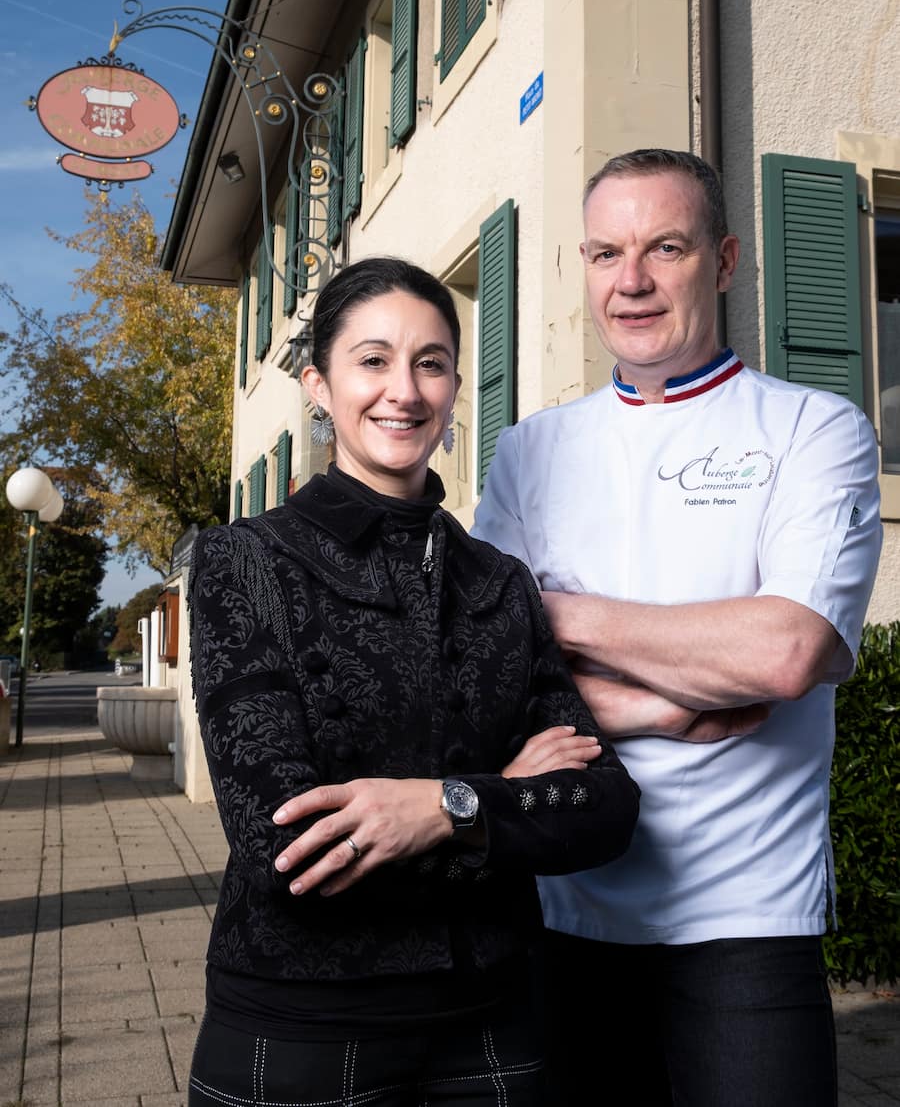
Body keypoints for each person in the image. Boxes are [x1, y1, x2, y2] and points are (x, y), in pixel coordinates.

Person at [473, 149, 883, 1107]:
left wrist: (558, 612)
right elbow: (485, 668)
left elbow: (785, 652)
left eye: (666, 247)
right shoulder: (532, 449)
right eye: (607, 252)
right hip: (562, 905)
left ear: (726, 259)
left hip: (747, 921)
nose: (633, 281)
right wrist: (662, 710)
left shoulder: (814, 429)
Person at [187, 256, 640, 1107]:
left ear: (456, 386)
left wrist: (438, 808)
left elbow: (608, 809)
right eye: (373, 360)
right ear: (319, 384)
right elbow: (285, 849)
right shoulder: (244, 561)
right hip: (300, 1028)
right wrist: (500, 794)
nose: (404, 389)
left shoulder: (500, 581)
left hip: (493, 1022)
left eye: (430, 362)